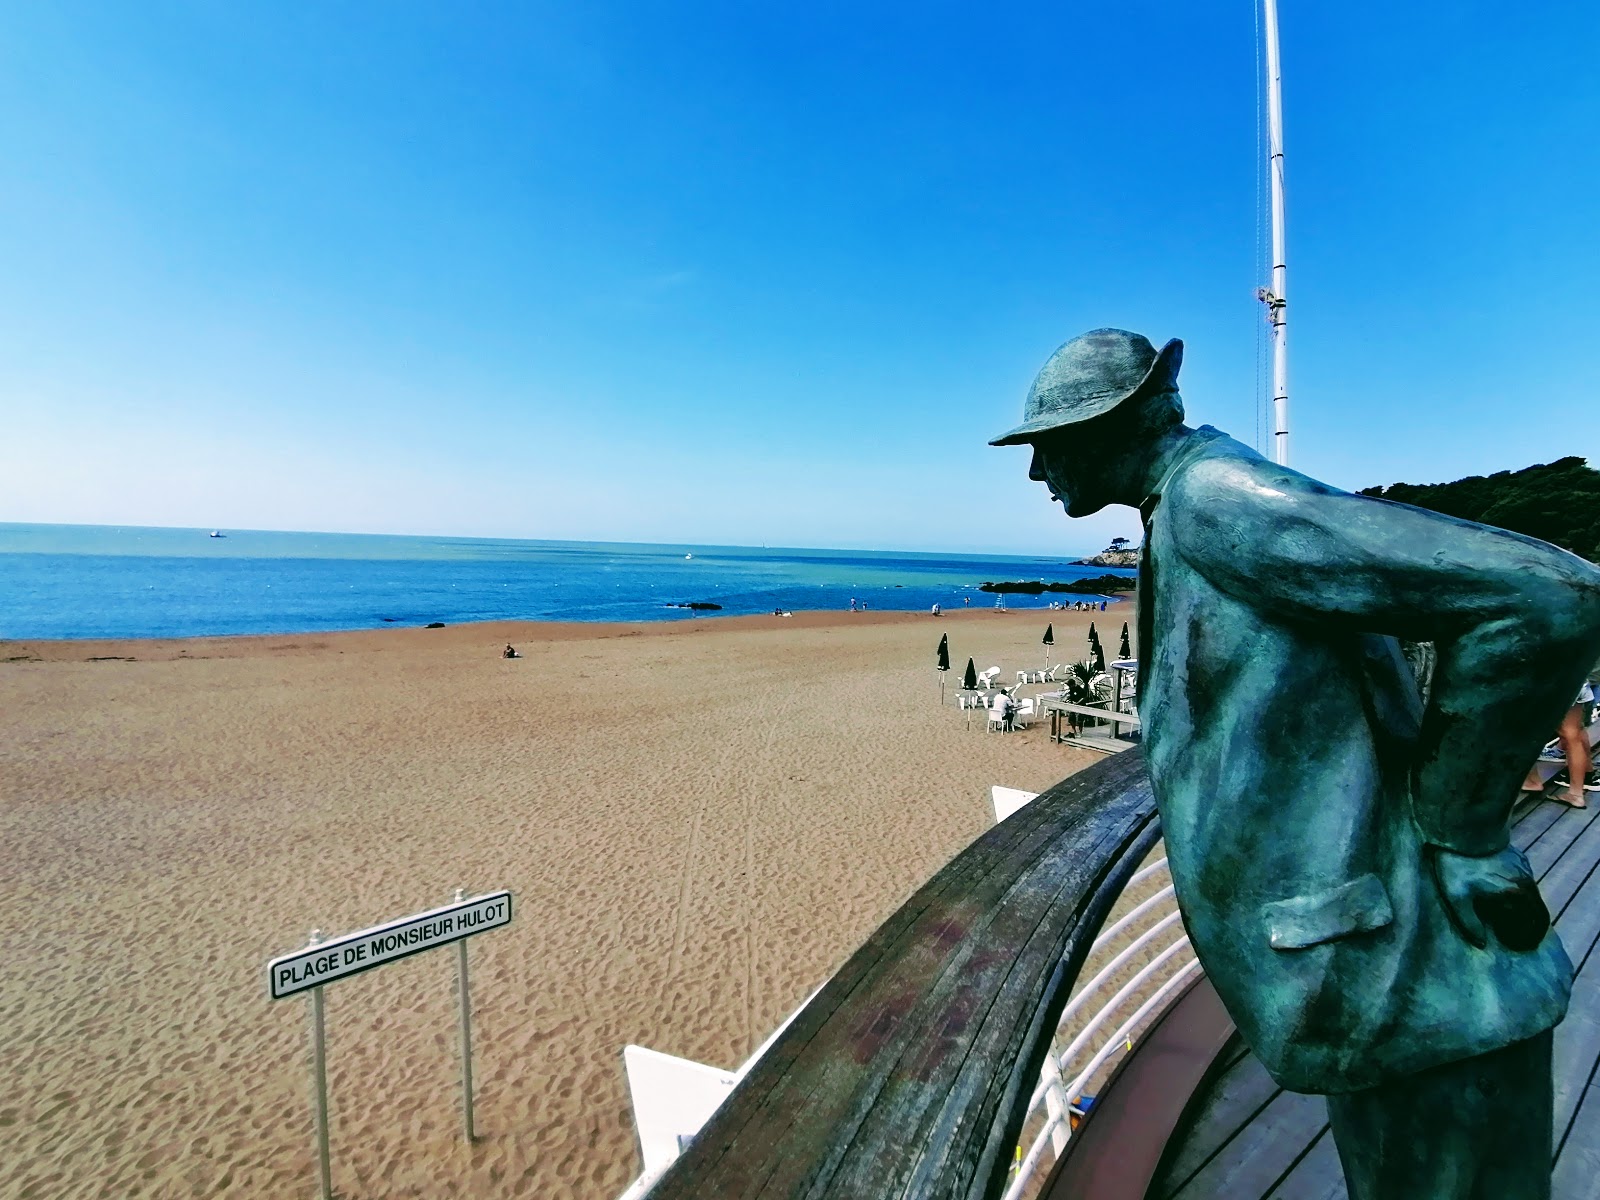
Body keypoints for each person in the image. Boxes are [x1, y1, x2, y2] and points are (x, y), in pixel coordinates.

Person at [992, 327, 1600, 1199]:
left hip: (1413, 978)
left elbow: (1551, 596)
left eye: (1048, 445)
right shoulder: (1185, 509)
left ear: (1113, 428)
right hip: (1379, 983)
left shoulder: (1216, 499)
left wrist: (1462, 830)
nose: (1037, 473)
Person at [1524, 680, 1599, 806]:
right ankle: (1576, 794)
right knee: (1573, 734)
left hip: (1548, 682)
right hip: (1577, 680)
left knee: (1526, 730)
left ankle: (1531, 781)